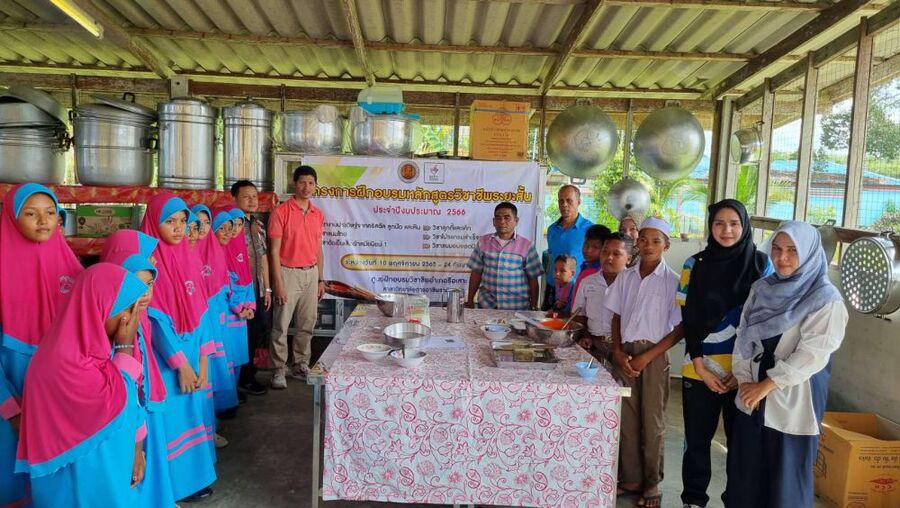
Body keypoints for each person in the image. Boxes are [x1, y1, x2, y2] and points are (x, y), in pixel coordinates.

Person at [725, 221, 847, 508]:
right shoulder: (762, 288)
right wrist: (745, 380)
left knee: (786, 485)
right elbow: (744, 336)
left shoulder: (826, 299)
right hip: (752, 396)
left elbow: (812, 354)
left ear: (809, 252)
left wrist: (766, 386)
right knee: (746, 479)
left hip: (792, 398)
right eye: (777, 249)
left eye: (793, 250)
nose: (782, 258)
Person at [15, 263, 148, 507]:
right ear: (98, 307)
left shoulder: (100, 345)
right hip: (80, 483)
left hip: (113, 472)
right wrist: (125, 348)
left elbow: (133, 403)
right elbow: (119, 404)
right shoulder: (59, 363)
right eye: (127, 309)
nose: (130, 319)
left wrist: (136, 448)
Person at [676, 199, 772, 508]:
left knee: (740, 443)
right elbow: (688, 318)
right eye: (719, 223)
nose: (726, 230)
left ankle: (736, 500)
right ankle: (693, 500)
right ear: (710, 226)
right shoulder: (693, 264)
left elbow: (767, 322)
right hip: (698, 368)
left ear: (745, 226)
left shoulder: (762, 265)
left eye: (734, 223)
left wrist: (741, 371)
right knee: (696, 441)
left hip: (745, 375)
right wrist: (700, 366)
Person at [0, 183, 83, 506]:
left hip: (61, 384)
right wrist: (10, 407)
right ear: (12, 217)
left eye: (50, 213)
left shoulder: (69, 264)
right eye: (31, 214)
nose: (43, 221)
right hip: (14, 383)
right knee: (14, 460)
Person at [140, 194, 217, 502]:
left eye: (183, 221)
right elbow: (155, 322)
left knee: (193, 414)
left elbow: (202, 311)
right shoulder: (149, 264)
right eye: (169, 221)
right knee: (173, 420)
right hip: (166, 361)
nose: (178, 228)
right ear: (153, 223)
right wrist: (181, 364)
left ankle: (196, 478)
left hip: (194, 352)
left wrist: (203, 360)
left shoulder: (188, 255)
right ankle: (175, 486)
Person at [605, 217, 683, 508]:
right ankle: (632, 478)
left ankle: (652, 482)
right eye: (644, 240)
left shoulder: (673, 280)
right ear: (636, 242)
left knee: (652, 420)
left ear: (666, 245)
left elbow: (680, 328)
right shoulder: (626, 277)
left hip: (653, 355)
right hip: (625, 354)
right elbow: (616, 316)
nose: (648, 245)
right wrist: (617, 351)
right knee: (627, 419)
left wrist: (646, 357)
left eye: (656, 241)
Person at [268, 165, 325, 389]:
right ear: (294, 183)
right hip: (287, 273)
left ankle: (300, 364)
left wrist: (320, 279)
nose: (306, 187)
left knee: (307, 324)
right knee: (281, 325)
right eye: (302, 182)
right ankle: (278, 369)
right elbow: (273, 251)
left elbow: (318, 249)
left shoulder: (317, 214)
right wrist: (278, 284)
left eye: (311, 183)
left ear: (315, 186)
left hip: (311, 273)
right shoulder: (281, 212)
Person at [193, 205, 239, 441]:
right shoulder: (187, 251)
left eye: (206, 222)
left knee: (215, 368)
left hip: (217, 319)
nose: (202, 228)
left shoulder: (214, 249)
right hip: (198, 323)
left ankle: (212, 425)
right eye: (197, 222)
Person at [231, 180, 271, 396]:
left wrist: (268, 289)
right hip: (237, 292)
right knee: (238, 336)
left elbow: (263, 258)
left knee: (255, 333)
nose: (252, 200)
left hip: (257, 289)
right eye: (246, 196)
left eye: (254, 196)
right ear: (234, 198)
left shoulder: (258, 225)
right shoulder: (230, 225)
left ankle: (248, 377)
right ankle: (234, 382)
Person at [466, 202, 542, 310]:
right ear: (493, 221)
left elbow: (533, 279)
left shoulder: (527, 246)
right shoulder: (483, 242)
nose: (502, 222)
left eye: (507, 218)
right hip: (487, 307)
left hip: (517, 308)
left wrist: (534, 306)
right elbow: (476, 273)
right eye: (498, 218)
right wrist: (470, 300)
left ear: (516, 221)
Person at [572, 232, 633, 361]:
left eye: (616, 254)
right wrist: (585, 335)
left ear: (628, 258)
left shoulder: (634, 284)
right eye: (605, 252)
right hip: (594, 345)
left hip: (625, 349)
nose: (609, 257)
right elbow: (579, 314)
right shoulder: (587, 282)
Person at [543, 185, 593, 310]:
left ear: (578, 202)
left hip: (576, 290)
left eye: (569, 201)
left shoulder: (589, 229)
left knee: (572, 322)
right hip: (552, 289)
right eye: (561, 201)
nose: (564, 204)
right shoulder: (552, 229)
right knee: (548, 321)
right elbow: (551, 258)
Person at [569, 224, 611, 311]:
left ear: (605, 249)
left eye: (595, 247)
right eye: (586, 244)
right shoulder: (586, 266)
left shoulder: (600, 273)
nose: (588, 250)